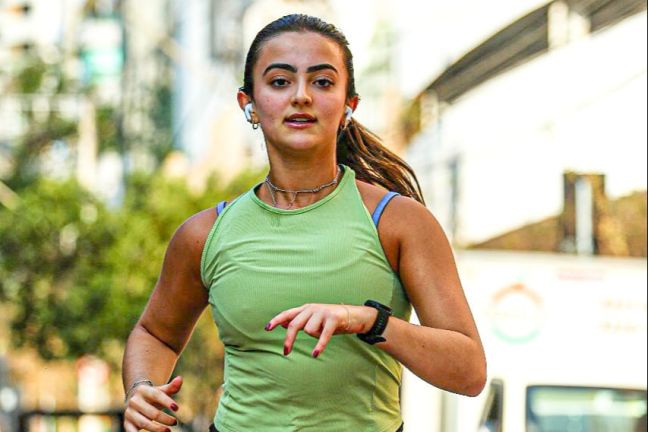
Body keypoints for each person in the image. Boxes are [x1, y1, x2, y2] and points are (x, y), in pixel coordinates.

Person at [122, 14, 486, 432]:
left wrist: (369, 320)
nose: (301, 96)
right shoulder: (204, 234)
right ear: (249, 104)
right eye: (279, 82)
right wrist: (141, 389)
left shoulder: (398, 222)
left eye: (322, 82)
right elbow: (155, 334)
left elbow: (468, 371)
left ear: (349, 105)